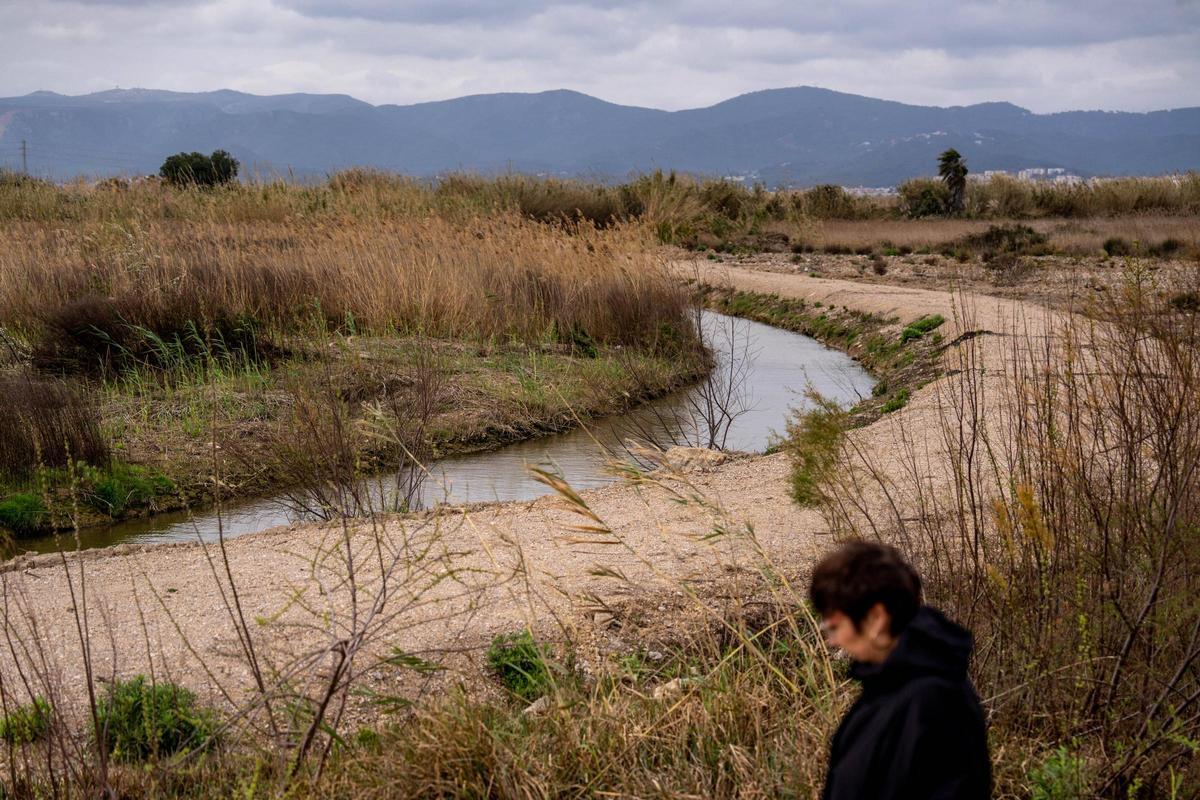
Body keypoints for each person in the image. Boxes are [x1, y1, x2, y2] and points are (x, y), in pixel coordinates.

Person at [809, 540, 991, 799]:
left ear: (876, 618)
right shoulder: (887, 686)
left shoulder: (935, 702)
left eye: (835, 626)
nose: (832, 640)